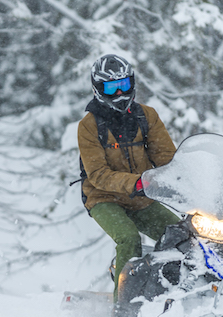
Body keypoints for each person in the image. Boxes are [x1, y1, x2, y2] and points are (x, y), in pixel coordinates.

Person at [77, 54, 179, 303]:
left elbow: (167, 158)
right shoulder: (89, 126)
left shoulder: (147, 116)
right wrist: (135, 183)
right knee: (129, 238)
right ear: (98, 89)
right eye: (112, 88)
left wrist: (189, 177)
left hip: (141, 198)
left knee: (180, 236)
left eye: (124, 85)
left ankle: (178, 296)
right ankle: (122, 308)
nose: (121, 94)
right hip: (104, 198)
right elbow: (98, 174)